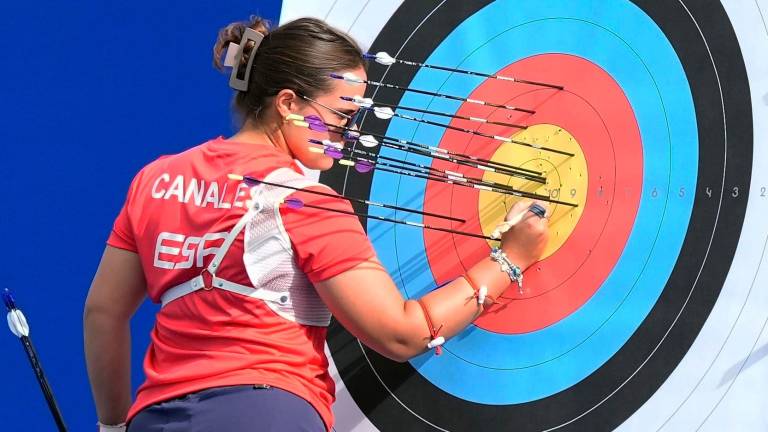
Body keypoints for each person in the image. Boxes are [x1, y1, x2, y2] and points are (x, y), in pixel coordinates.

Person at [83, 16, 549, 432]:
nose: (348, 138)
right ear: (287, 102)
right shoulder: (305, 201)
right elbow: (402, 333)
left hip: (157, 418)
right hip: (266, 414)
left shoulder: (156, 179)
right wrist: (511, 259)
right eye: (342, 117)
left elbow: (103, 312)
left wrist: (112, 423)